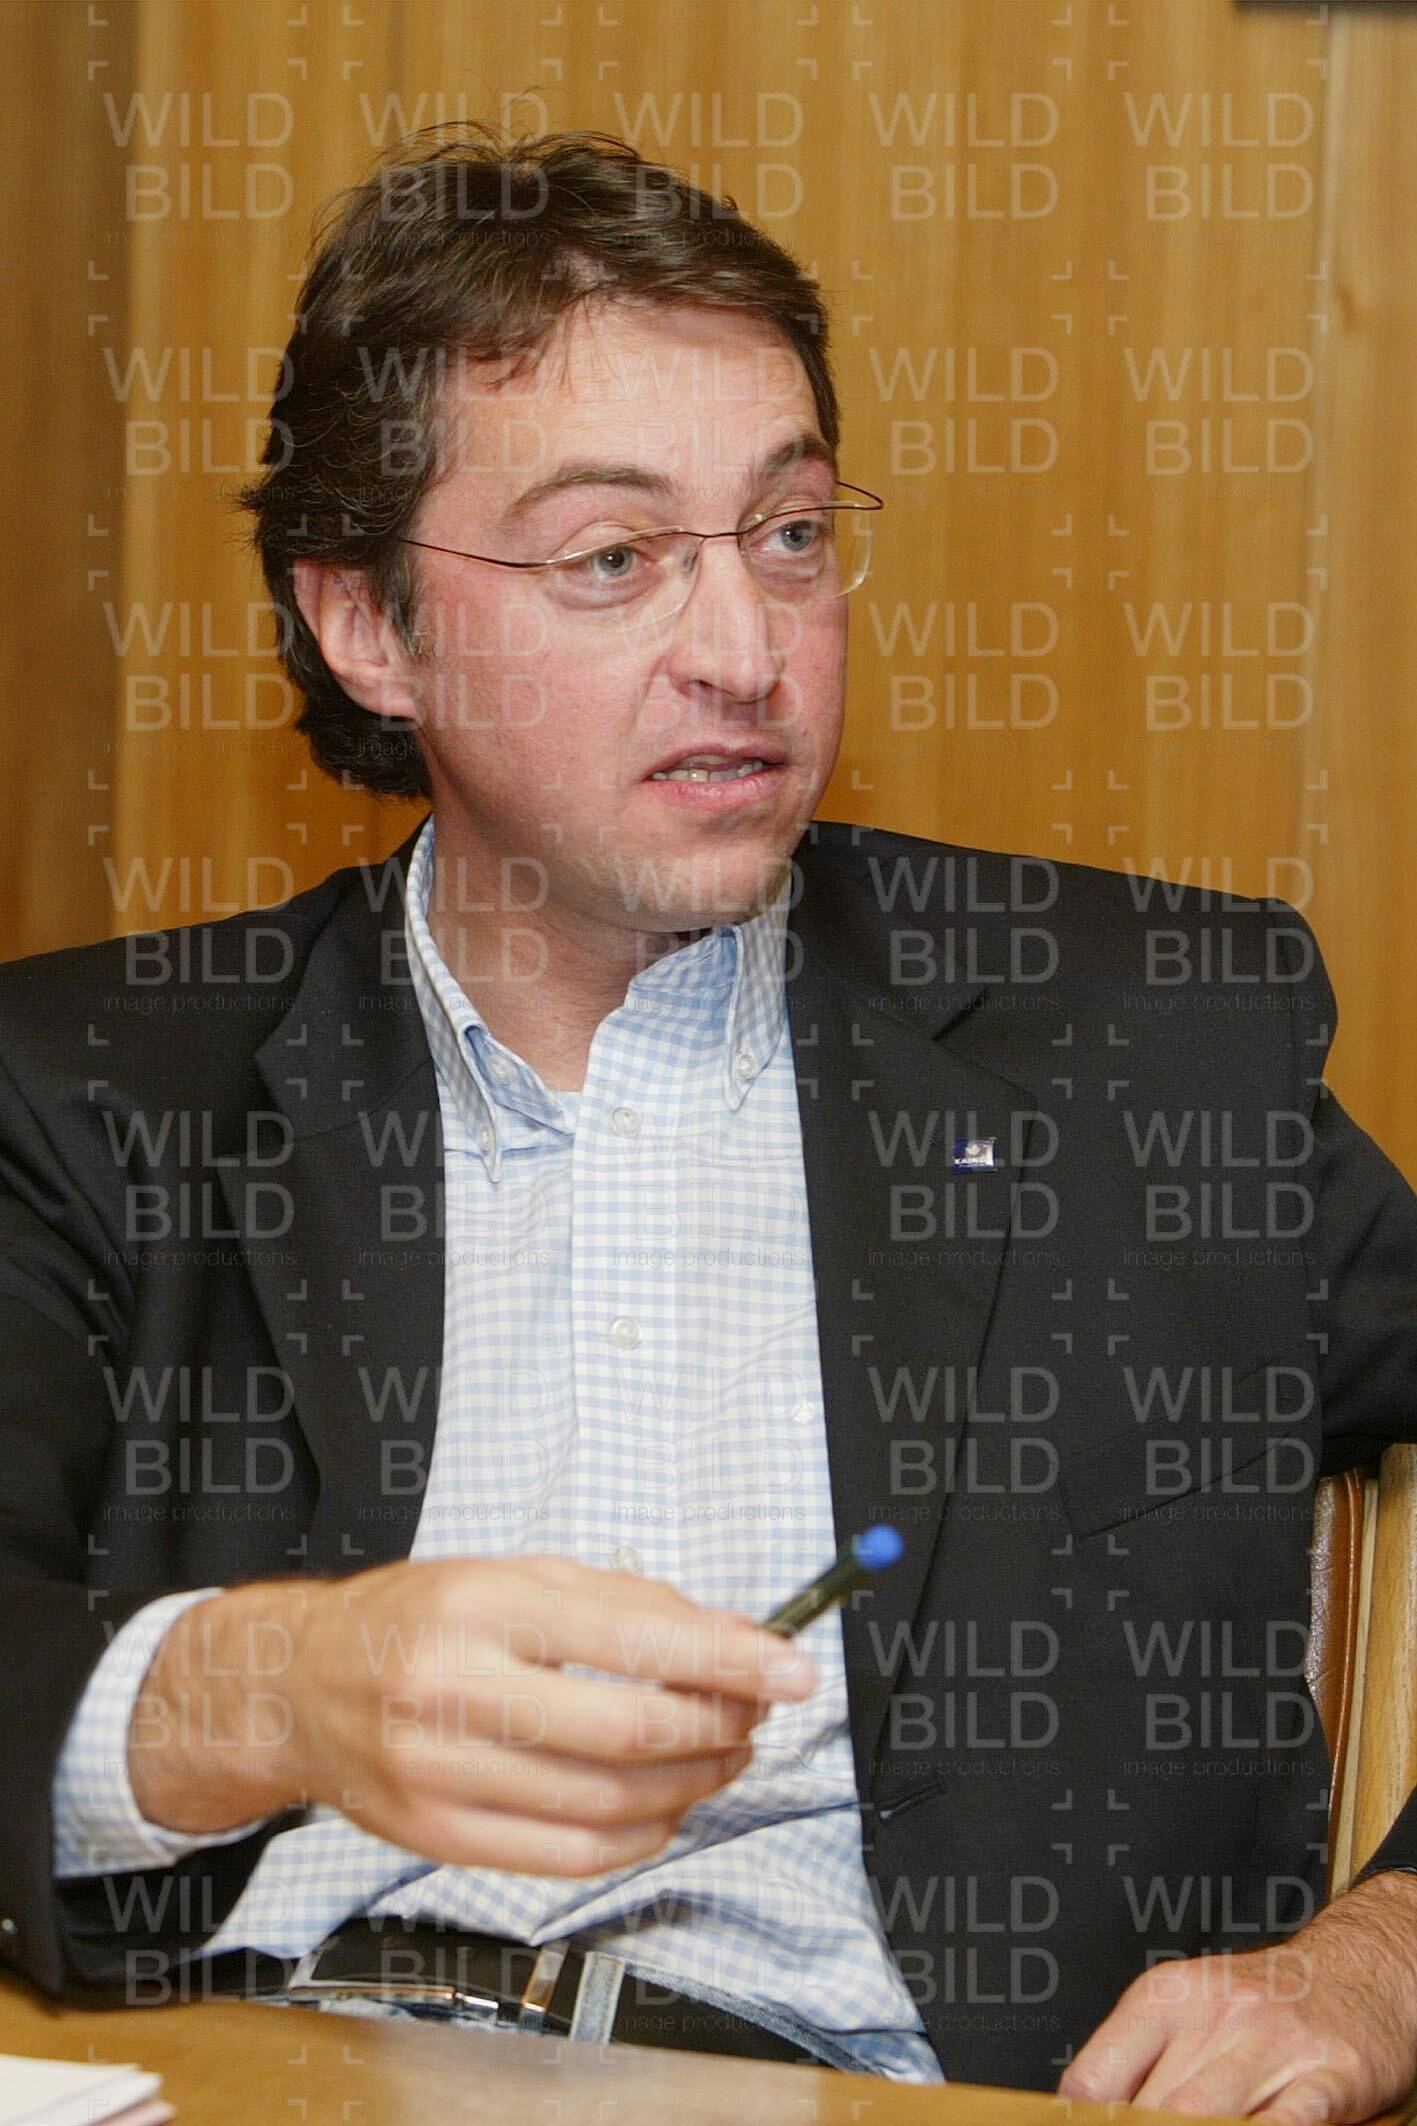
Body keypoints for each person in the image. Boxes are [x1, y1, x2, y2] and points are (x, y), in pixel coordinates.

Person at [1, 125, 1415, 2114]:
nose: (744, 651)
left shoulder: (1141, 1050)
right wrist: (270, 1688)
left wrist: (1386, 1953)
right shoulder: (98, 1091)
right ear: (366, 625)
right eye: (612, 558)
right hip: (245, 2066)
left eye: (790, 534)